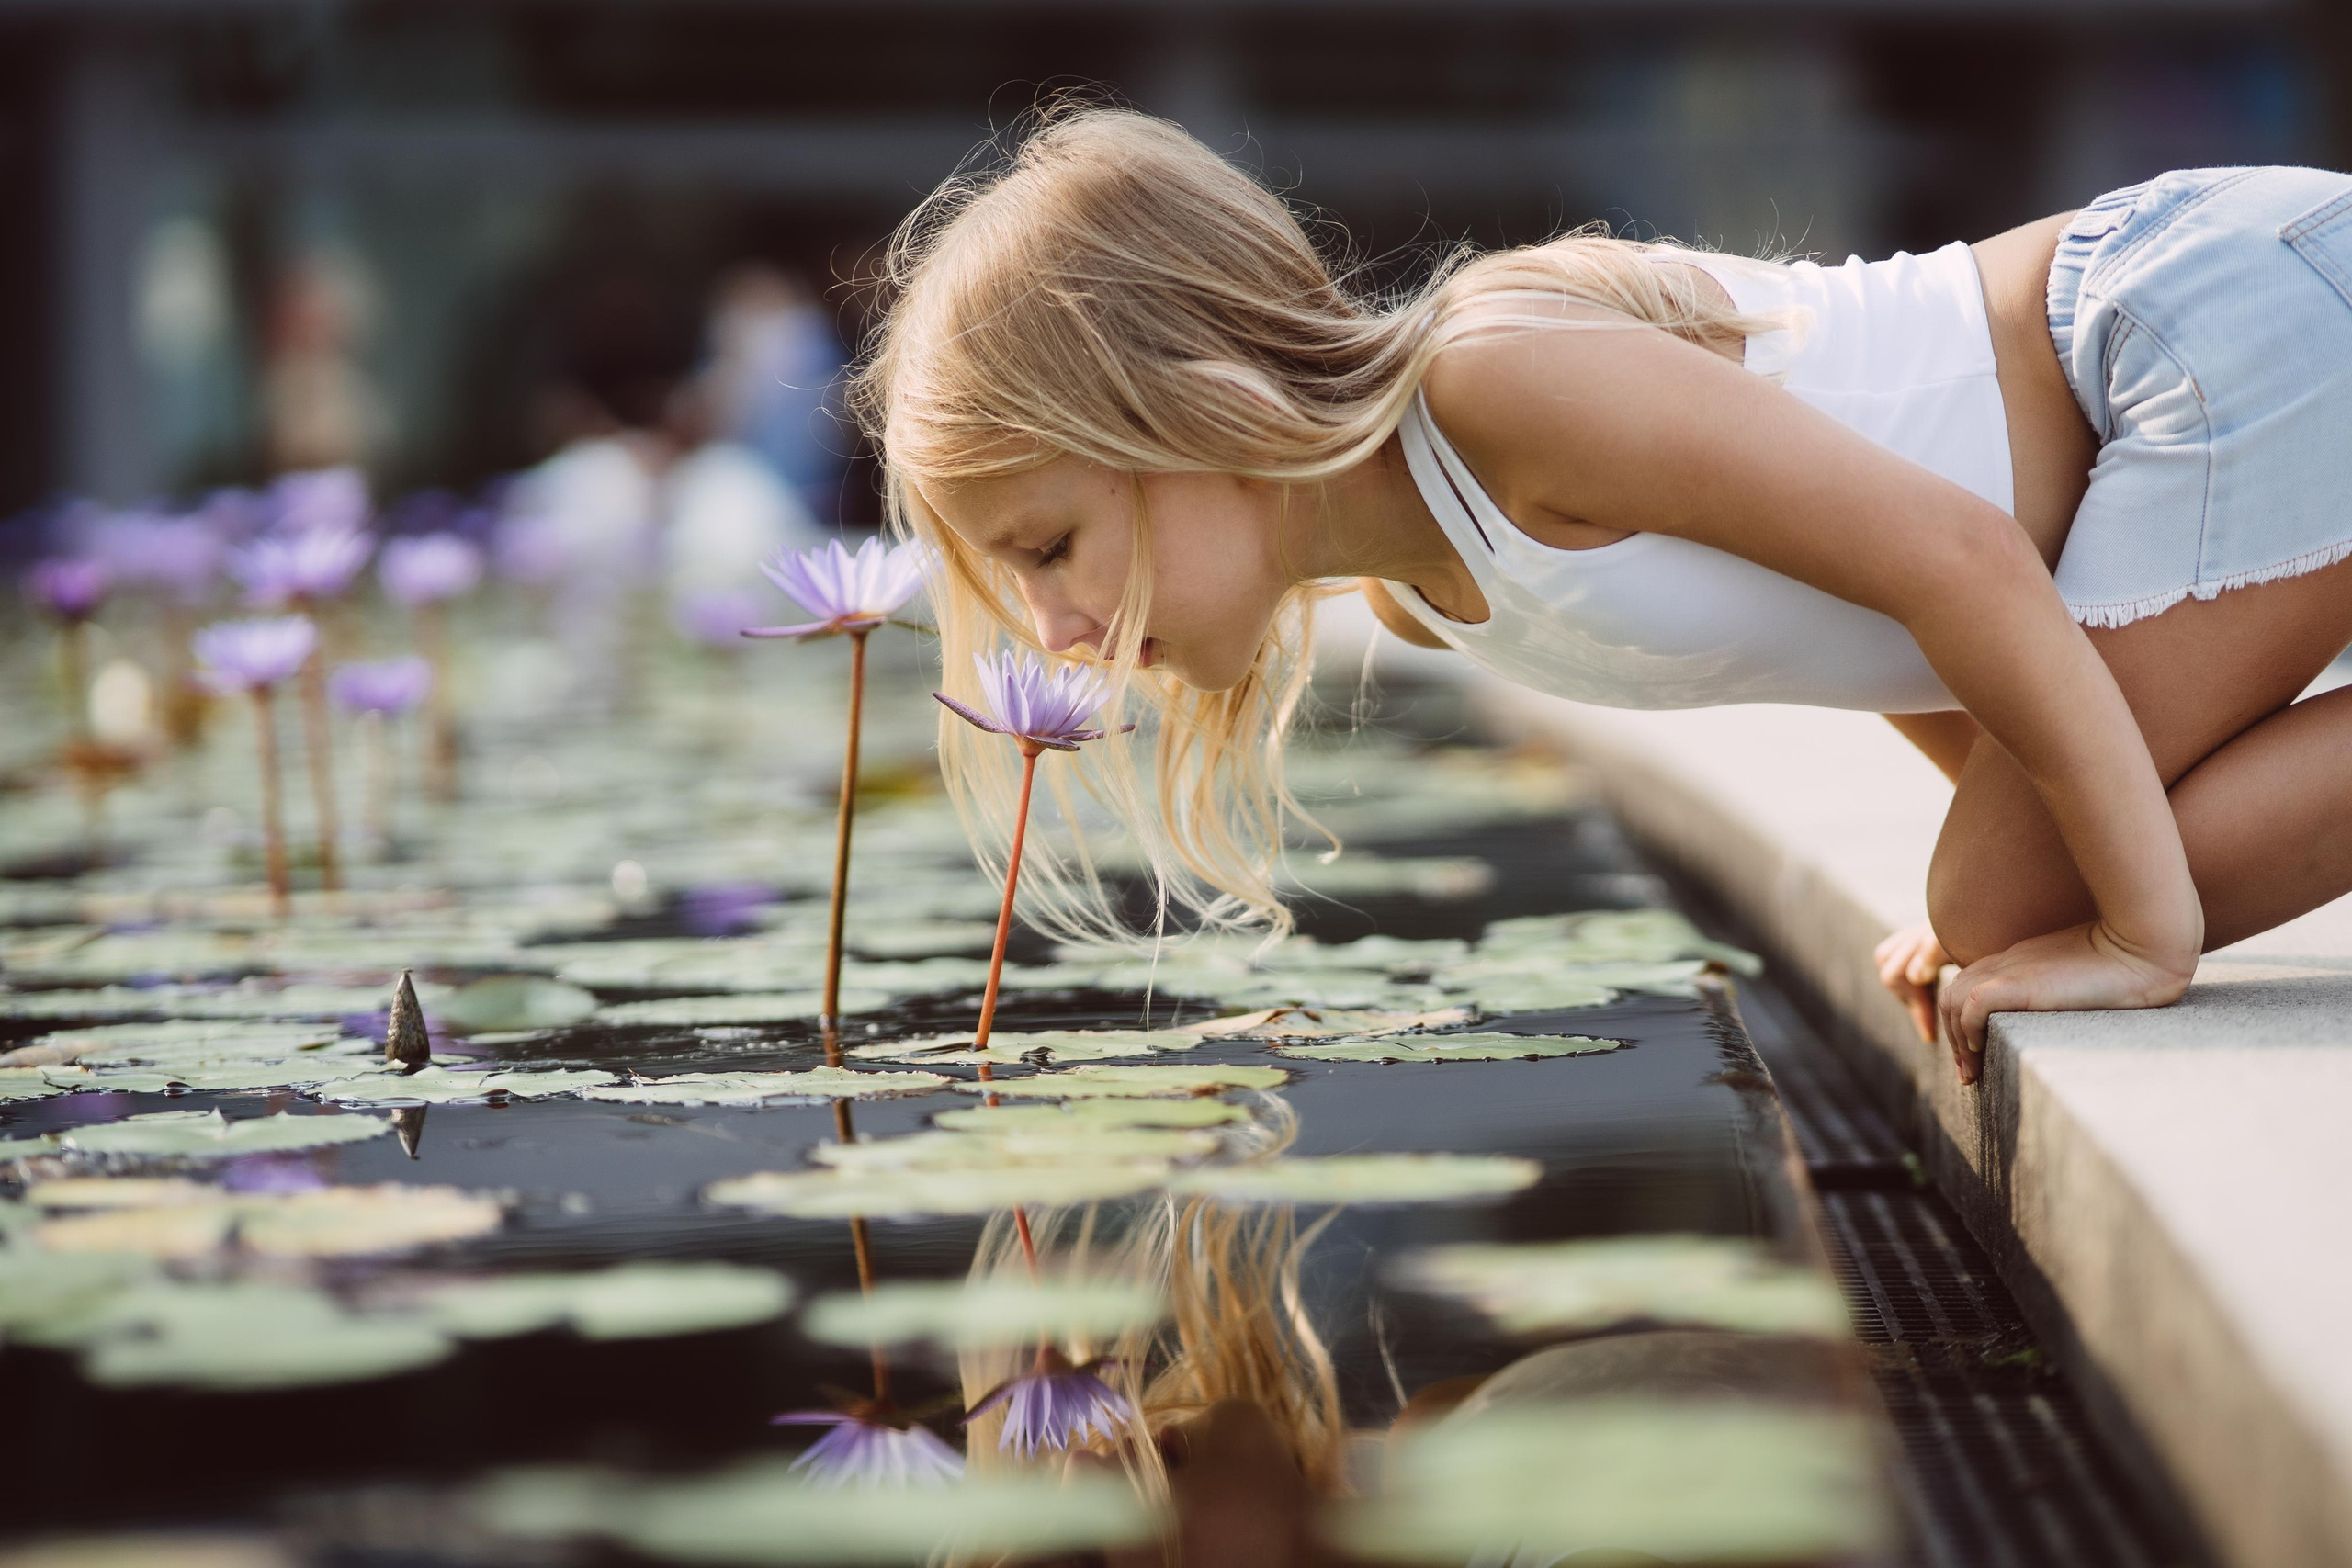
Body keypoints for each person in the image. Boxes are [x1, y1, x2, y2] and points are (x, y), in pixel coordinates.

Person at [854, 105, 2352, 1086]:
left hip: (2209, 322)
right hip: (2209, 357)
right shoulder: (1427, 592)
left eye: (1049, 546)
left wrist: (2123, 931)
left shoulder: (1492, 386)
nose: (1054, 632)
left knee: (2011, 898)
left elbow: (1952, 561)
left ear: (1197, 409)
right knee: (2004, 898)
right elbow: (1857, 629)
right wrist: (2017, 860)